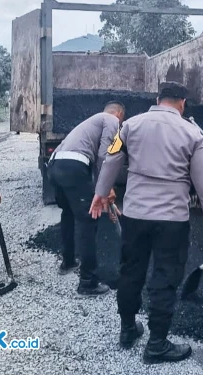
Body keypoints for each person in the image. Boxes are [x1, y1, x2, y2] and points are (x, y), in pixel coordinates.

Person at [89, 82, 203, 364]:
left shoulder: (129, 126)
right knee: (165, 278)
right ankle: (157, 344)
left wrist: (100, 194)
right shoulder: (191, 132)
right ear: (182, 103)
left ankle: (128, 330)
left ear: (157, 99)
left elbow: (111, 160)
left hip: (136, 215)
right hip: (172, 219)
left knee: (130, 271)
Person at [47, 101, 125, 295]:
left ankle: (68, 261)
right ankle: (88, 281)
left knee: (69, 213)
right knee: (88, 219)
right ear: (119, 114)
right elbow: (104, 156)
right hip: (73, 167)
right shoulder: (112, 121)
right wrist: (105, 189)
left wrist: (102, 192)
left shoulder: (90, 123)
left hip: (55, 166)